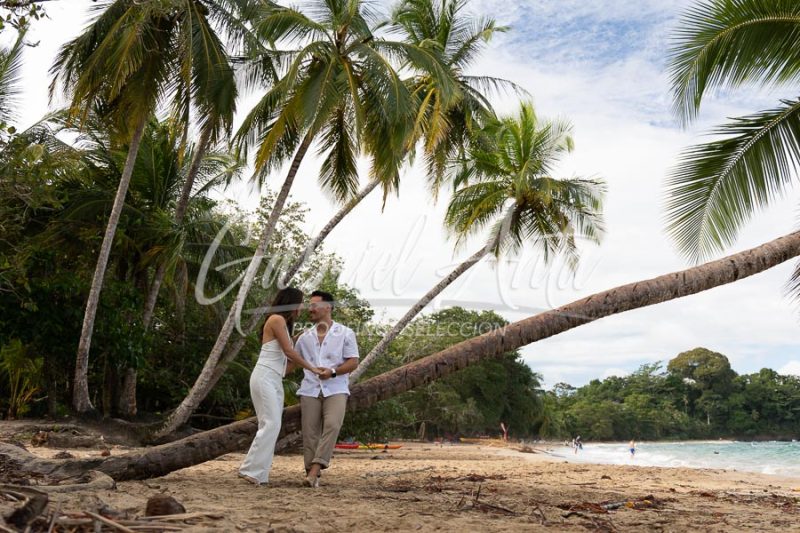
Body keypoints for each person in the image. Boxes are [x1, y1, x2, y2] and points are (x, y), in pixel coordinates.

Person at [238, 288, 324, 486]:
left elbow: (286, 355)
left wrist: (302, 337)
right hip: (265, 376)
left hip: (275, 378)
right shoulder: (276, 319)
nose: (303, 307)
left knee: (270, 425)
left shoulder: (283, 324)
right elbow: (288, 351)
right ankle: (250, 470)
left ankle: (257, 473)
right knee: (271, 423)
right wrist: (312, 368)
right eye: (301, 302)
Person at [296, 290, 359, 488]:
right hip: (310, 389)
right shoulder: (304, 338)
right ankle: (311, 476)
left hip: (336, 388)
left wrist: (332, 372)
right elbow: (292, 362)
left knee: (332, 425)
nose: (310, 308)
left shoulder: (345, 333)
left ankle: (315, 469)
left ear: (328, 307)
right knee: (309, 433)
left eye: (314, 305)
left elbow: (353, 362)